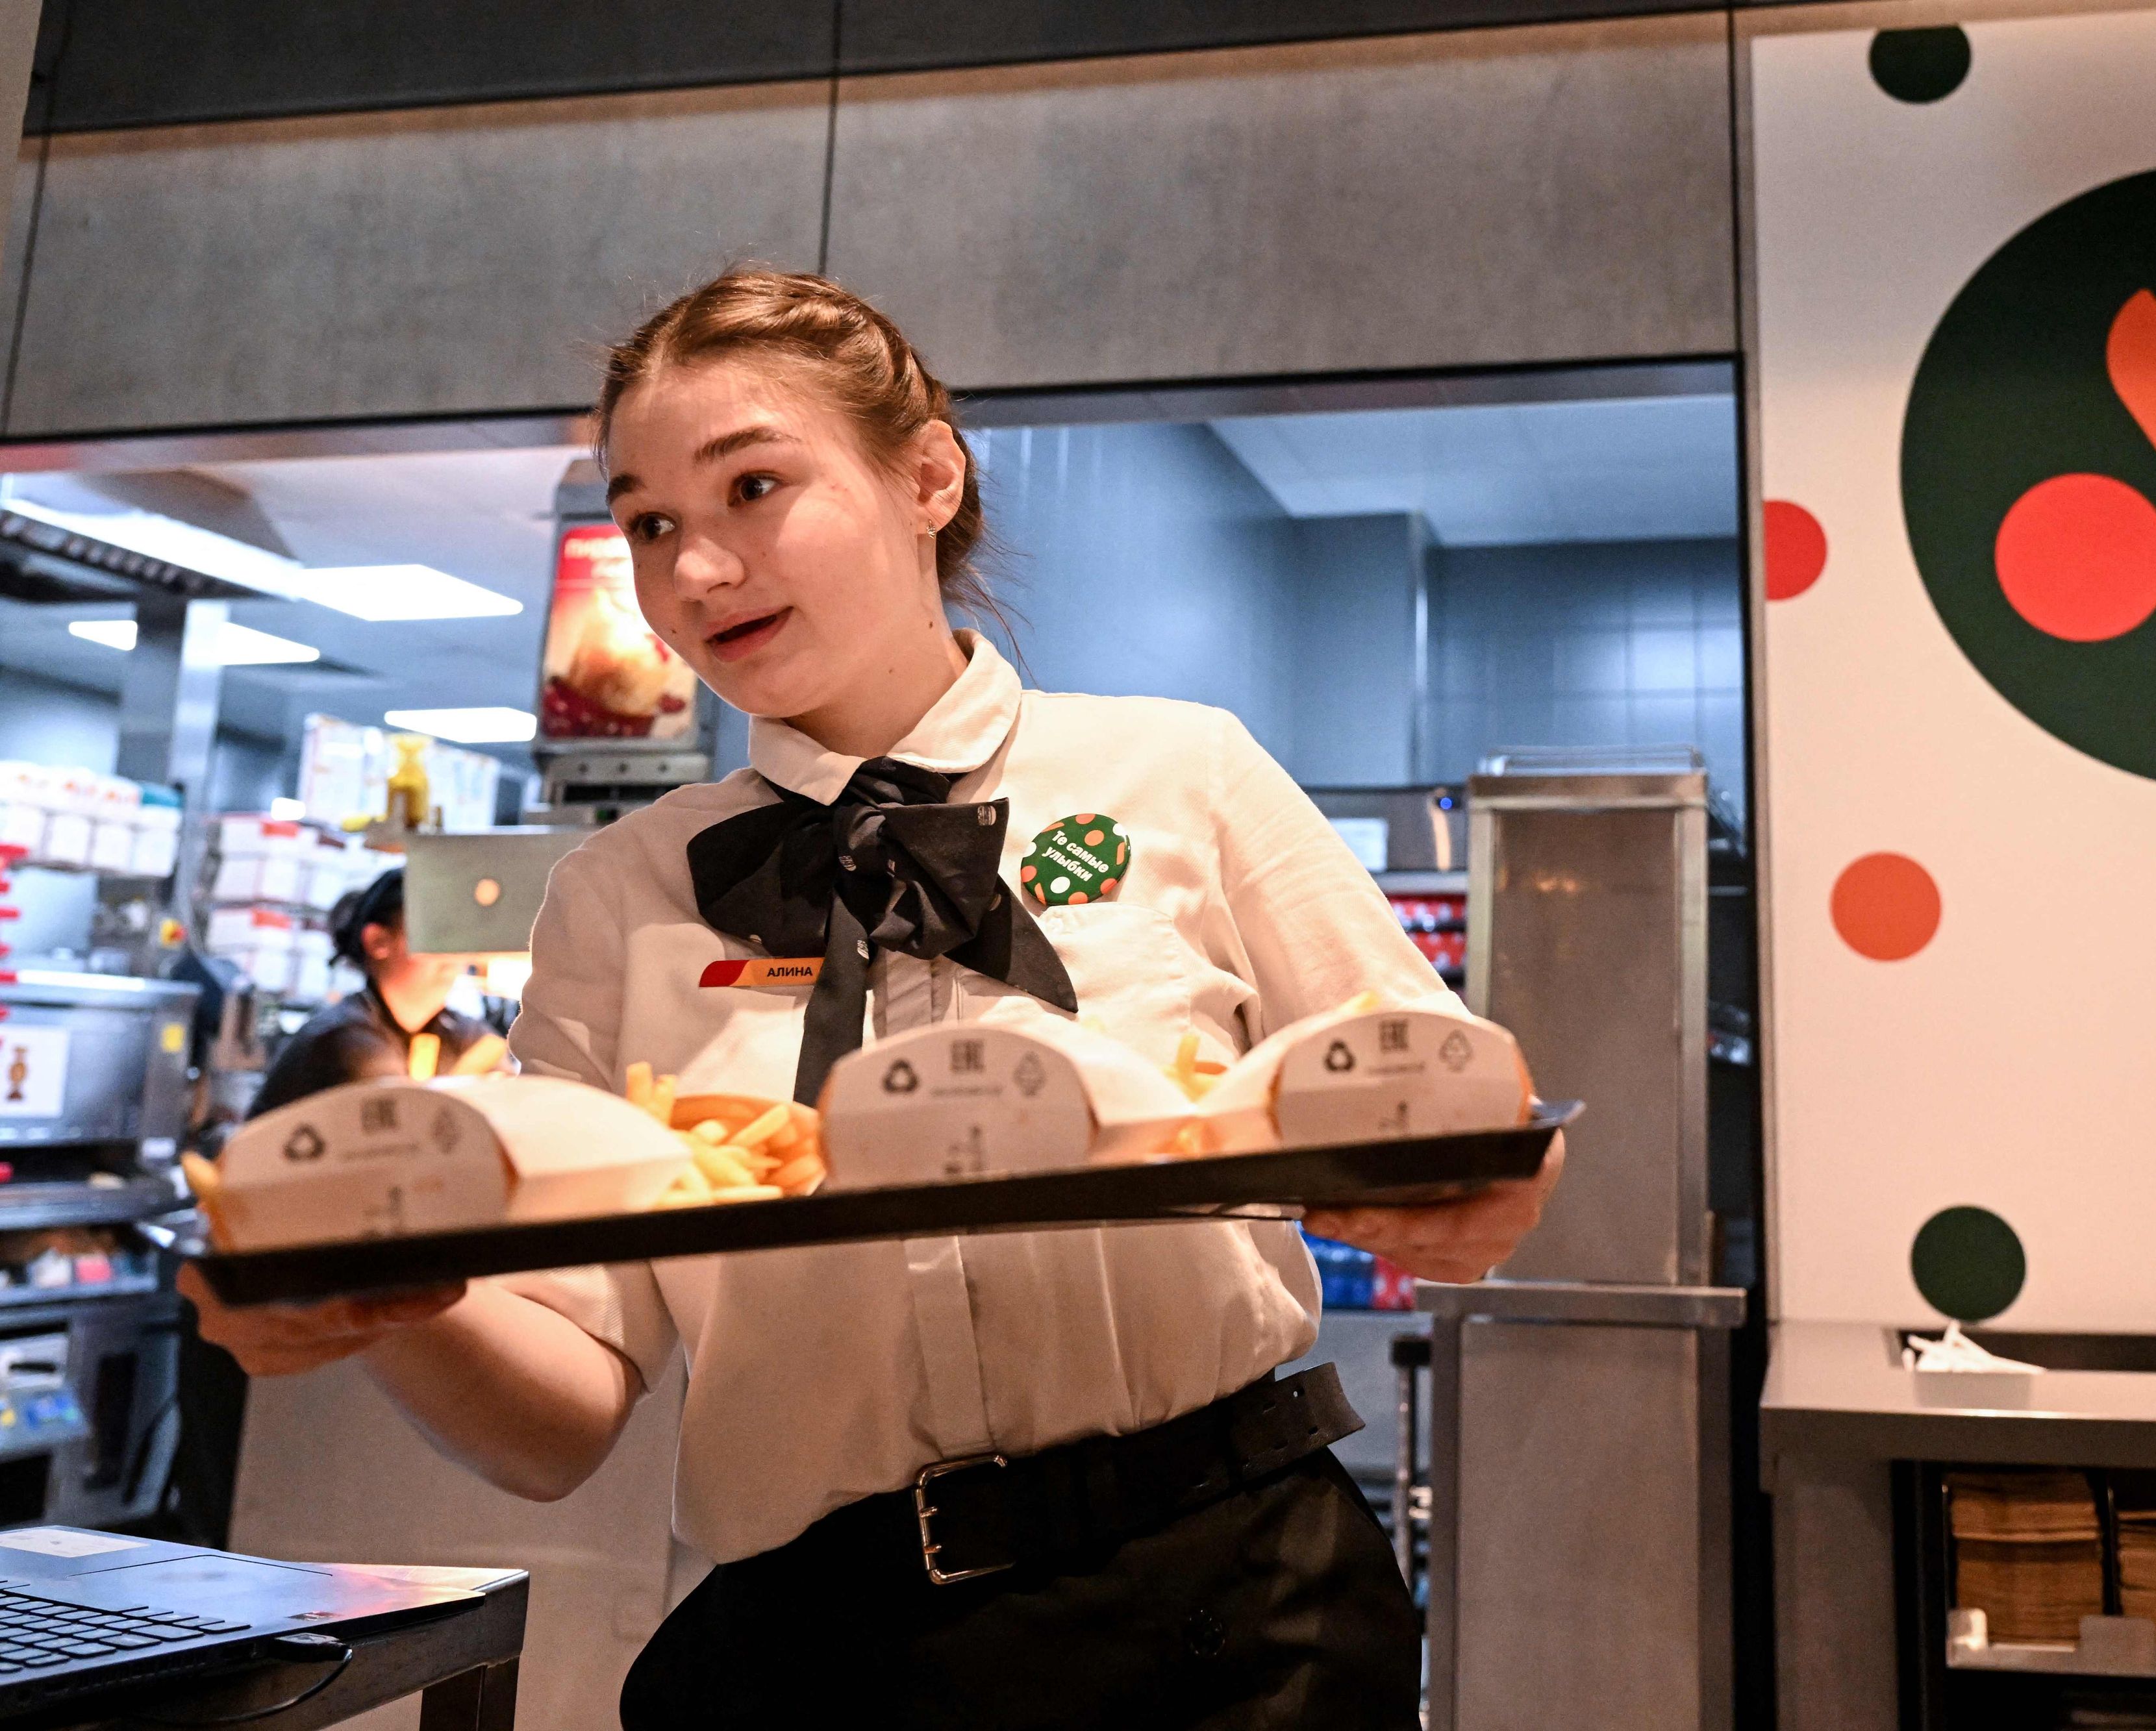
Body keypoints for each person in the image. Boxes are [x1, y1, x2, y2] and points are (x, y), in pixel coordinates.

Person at [180, 269, 1562, 1729]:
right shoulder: (619, 888)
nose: (694, 571)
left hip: (1230, 1607)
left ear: (926, 476)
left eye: (753, 486)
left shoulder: (1184, 773)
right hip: (816, 1652)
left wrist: (1462, 1192)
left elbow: (1440, 1121)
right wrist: (386, 1301)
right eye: (648, 522)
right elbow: (560, 1418)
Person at [246, 867, 487, 1117]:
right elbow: (407, 1126)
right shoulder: (345, 1040)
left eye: (459, 934)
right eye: (437, 933)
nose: (453, 953)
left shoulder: (455, 1031)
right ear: (377, 941)